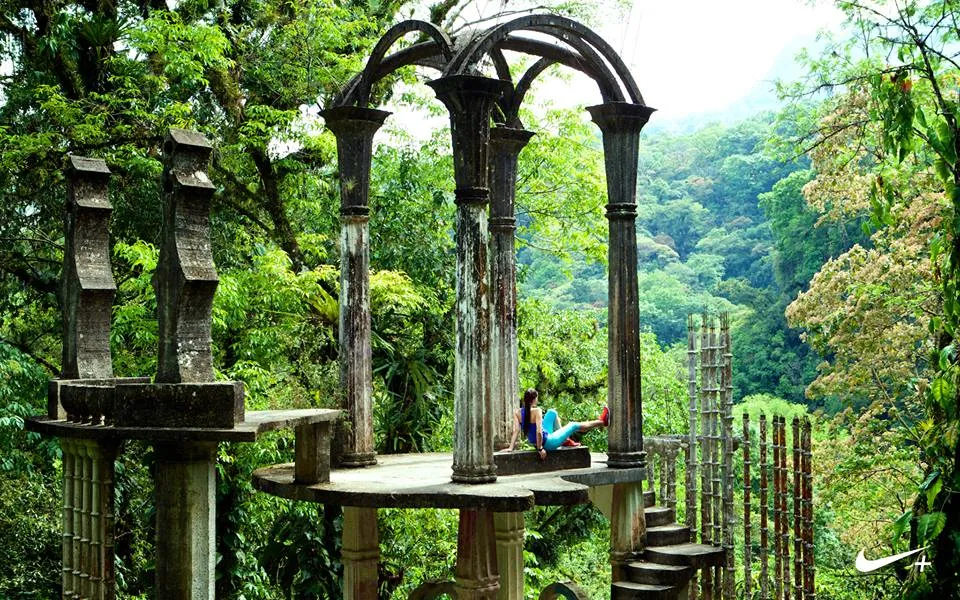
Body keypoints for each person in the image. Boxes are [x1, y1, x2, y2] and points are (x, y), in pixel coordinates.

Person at [505, 388, 608, 459]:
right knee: (573, 425)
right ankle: (602, 421)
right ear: (534, 400)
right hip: (548, 443)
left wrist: (511, 448)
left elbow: (516, 431)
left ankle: (565, 440)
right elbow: (539, 432)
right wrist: (541, 449)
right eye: (537, 398)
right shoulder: (537, 411)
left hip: (541, 440)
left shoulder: (517, 412)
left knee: (552, 412)